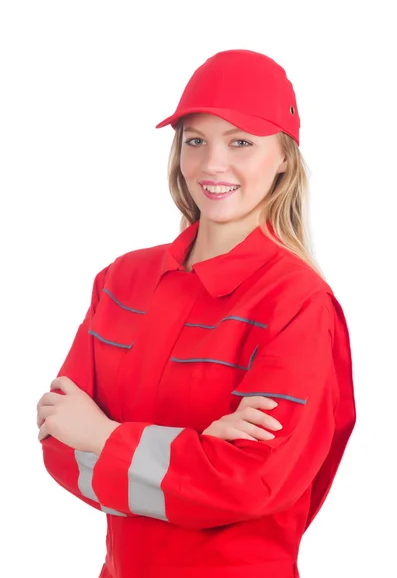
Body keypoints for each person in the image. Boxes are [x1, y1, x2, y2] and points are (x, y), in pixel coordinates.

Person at [36, 49, 356, 578]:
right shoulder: (121, 281)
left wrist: (103, 436)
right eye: (195, 140)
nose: (212, 165)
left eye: (241, 143)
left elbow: (254, 484)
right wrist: (196, 455)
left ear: (284, 157)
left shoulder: (299, 305)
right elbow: (57, 447)